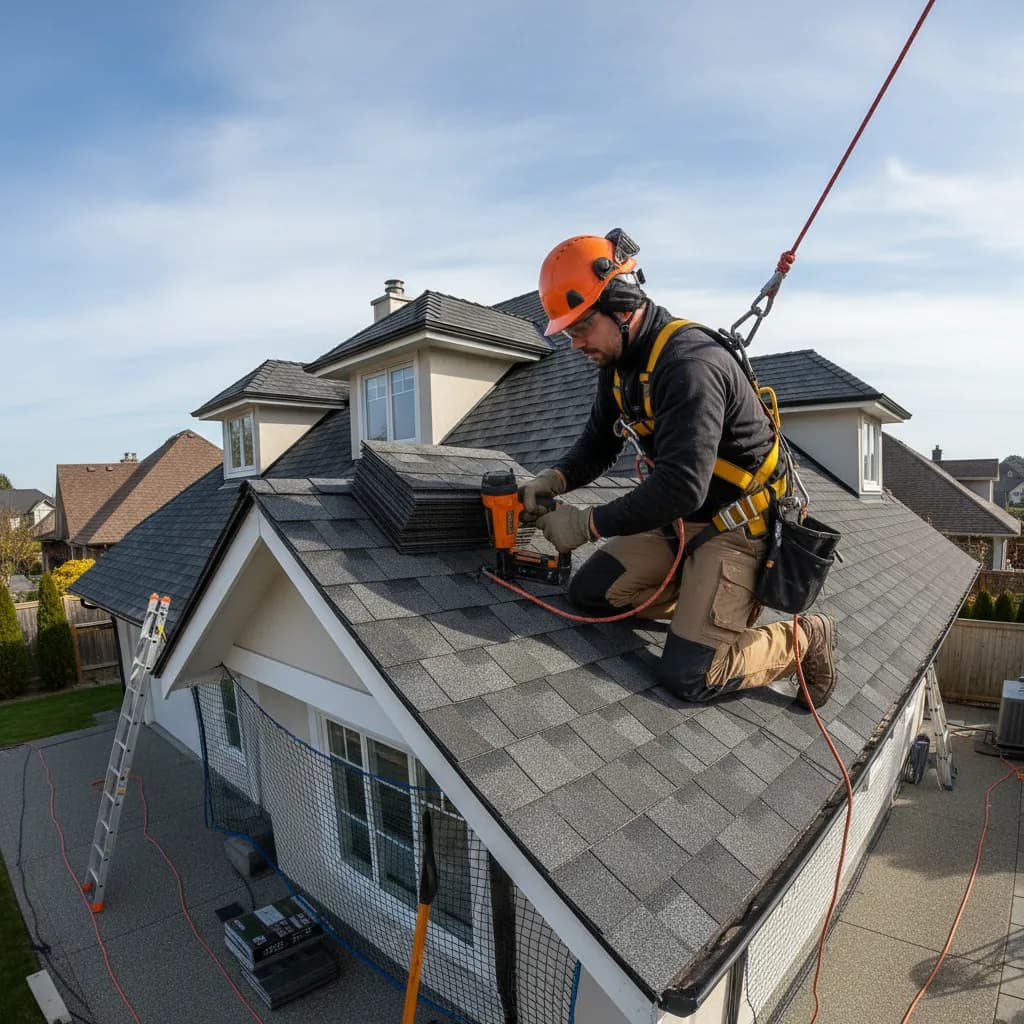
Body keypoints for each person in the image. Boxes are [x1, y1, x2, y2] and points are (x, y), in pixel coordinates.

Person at [524, 230, 838, 707]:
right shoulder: (619, 366)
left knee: (690, 675)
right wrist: (557, 477)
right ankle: (697, 595)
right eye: (567, 333)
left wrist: (586, 524)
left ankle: (803, 639)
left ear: (622, 305)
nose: (574, 344)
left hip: (738, 530)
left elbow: (682, 486)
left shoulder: (690, 364)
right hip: (677, 526)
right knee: (590, 595)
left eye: (581, 328)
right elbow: (595, 445)